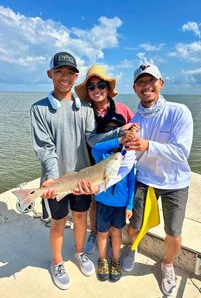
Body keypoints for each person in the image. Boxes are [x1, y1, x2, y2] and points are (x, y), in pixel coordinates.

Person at [116, 63, 193, 296]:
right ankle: (132, 247)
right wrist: (123, 142)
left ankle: (167, 264)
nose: (146, 86)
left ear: (161, 83)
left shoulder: (179, 112)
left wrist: (148, 144)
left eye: (151, 81)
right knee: (135, 224)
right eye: (141, 82)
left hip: (175, 183)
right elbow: (132, 155)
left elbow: (181, 152)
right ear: (134, 88)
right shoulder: (135, 118)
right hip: (145, 178)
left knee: (174, 232)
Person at [30, 52, 105, 290]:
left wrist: (119, 134)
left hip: (81, 179)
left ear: (76, 77)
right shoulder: (39, 109)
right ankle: (57, 261)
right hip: (56, 182)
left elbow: (92, 139)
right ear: (50, 74)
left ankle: (80, 252)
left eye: (70, 73)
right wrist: (51, 177)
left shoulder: (85, 109)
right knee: (58, 222)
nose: (65, 77)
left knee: (81, 217)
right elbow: (45, 148)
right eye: (59, 71)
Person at [74, 64, 133, 254]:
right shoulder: (85, 112)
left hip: (119, 164)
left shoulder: (123, 110)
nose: (96, 90)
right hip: (93, 163)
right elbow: (89, 140)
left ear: (108, 88)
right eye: (91, 87)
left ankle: (116, 239)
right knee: (94, 201)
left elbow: (134, 131)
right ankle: (95, 232)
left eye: (100, 85)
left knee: (118, 200)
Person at [91, 112, 135, 282]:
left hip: (121, 205)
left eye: (118, 129)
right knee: (102, 233)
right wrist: (118, 139)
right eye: (111, 130)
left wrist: (130, 205)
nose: (116, 131)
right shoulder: (101, 155)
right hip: (103, 202)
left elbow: (132, 182)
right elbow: (96, 147)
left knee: (116, 233)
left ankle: (115, 260)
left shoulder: (128, 158)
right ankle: (102, 259)